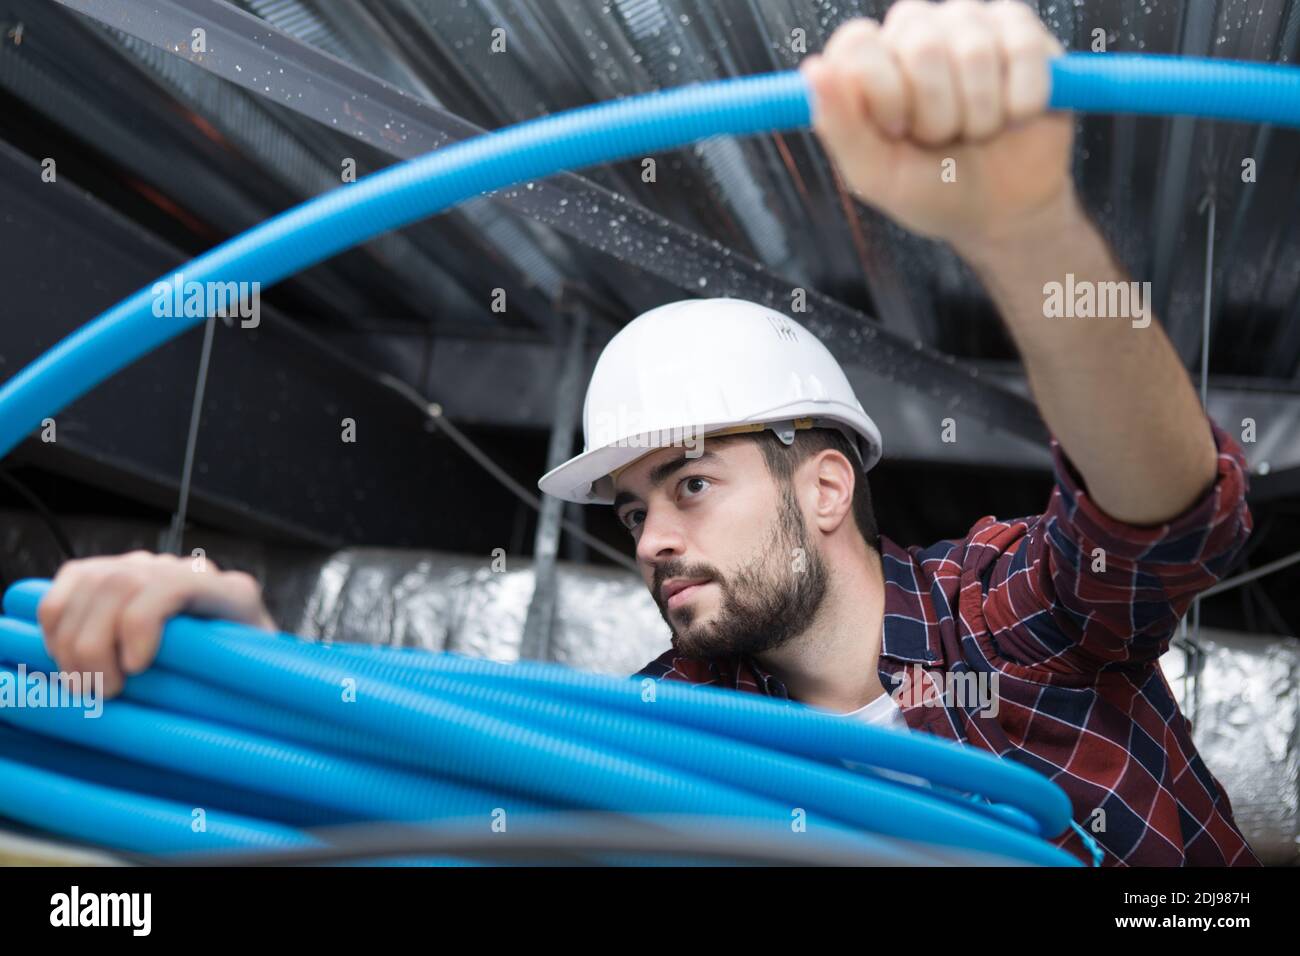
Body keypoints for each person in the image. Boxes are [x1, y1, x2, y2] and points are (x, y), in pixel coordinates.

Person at [35, 0, 1258, 865]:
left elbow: (1156, 509)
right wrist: (252, 684)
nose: (651, 539)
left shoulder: (997, 618)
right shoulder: (670, 730)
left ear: (824, 485)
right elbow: (459, 786)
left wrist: (1025, 228)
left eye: (686, 484)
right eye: (630, 512)